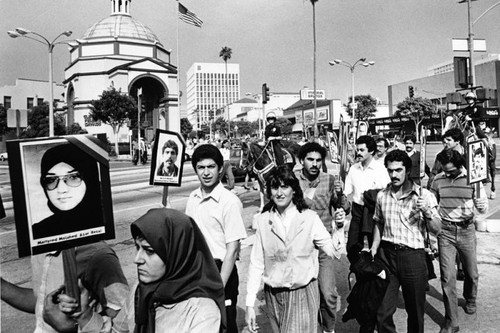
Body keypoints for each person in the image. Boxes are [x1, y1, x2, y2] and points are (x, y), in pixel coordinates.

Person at [245, 166, 342, 333]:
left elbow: (334, 251)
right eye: (275, 187)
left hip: (302, 294)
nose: (280, 193)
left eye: (285, 187)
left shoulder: (309, 218)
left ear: (294, 191)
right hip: (273, 295)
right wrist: (249, 304)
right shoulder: (263, 221)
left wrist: (339, 227)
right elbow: (256, 263)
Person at [370, 149, 441, 333]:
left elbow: (437, 229)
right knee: (382, 312)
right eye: (390, 170)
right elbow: (378, 222)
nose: (394, 175)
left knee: (415, 311)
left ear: (408, 171)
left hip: (413, 257)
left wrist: (426, 210)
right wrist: (374, 247)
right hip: (386, 256)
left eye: (398, 170)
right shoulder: (382, 196)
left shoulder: (424, 196)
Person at [130, 208, 226, 333]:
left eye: (149, 251)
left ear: (176, 254)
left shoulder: (202, 312)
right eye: (137, 248)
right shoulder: (139, 290)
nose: (137, 259)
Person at [1, 240, 130, 332]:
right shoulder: (41, 247)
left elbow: (123, 321)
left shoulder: (97, 254)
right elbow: (42, 301)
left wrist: (72, 327)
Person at [185, 144, 247, 333]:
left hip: (221, 271)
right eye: (201, 167)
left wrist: (219, 285)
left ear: (220, 169)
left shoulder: (229, 202)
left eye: (211, 167)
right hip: (197, 271)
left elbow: (232, 249)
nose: (206, 172)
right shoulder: (193, 198)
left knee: (224, 325)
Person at [295, 142, 350, 333]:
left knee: (328, 294)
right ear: (301, 160)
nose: (315, 164)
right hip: (299, 246)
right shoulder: (292, 180)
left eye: (319, 160)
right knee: (303, 297)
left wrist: (341, 197)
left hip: (323, 245)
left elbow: (343, 207)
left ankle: (328, 329)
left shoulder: (330, 179)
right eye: (310, 159)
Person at [430, 149, 488, 333]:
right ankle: (451, 321)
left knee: (472, 273)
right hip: (445, 232)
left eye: (451, 171)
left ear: (460, 166)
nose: (447, 174)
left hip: (466, 230)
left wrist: (480, 205)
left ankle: (470, 298)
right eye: (445, 171)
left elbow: (483, 207)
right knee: (448, 277)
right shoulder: (438, 180)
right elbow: (432, 202)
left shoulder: (473, 179)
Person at [33, 143, 103, 239]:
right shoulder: (39, 231)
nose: (61, 190)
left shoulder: (103, 222)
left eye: (73, 177)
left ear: (90, 179)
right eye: (51, 180)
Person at [344, 135, 391, 258]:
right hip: (357, 211)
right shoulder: (354, 168)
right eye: (357, 150)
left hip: (373, 211)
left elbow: (387, 191)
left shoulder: (380, 169)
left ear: (371, 151)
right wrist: (339, 193)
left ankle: (375, 272)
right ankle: (356, 272)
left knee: (374, 247)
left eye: (361, 150)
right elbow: (346, 191)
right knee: (352, 247)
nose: (358, 153)